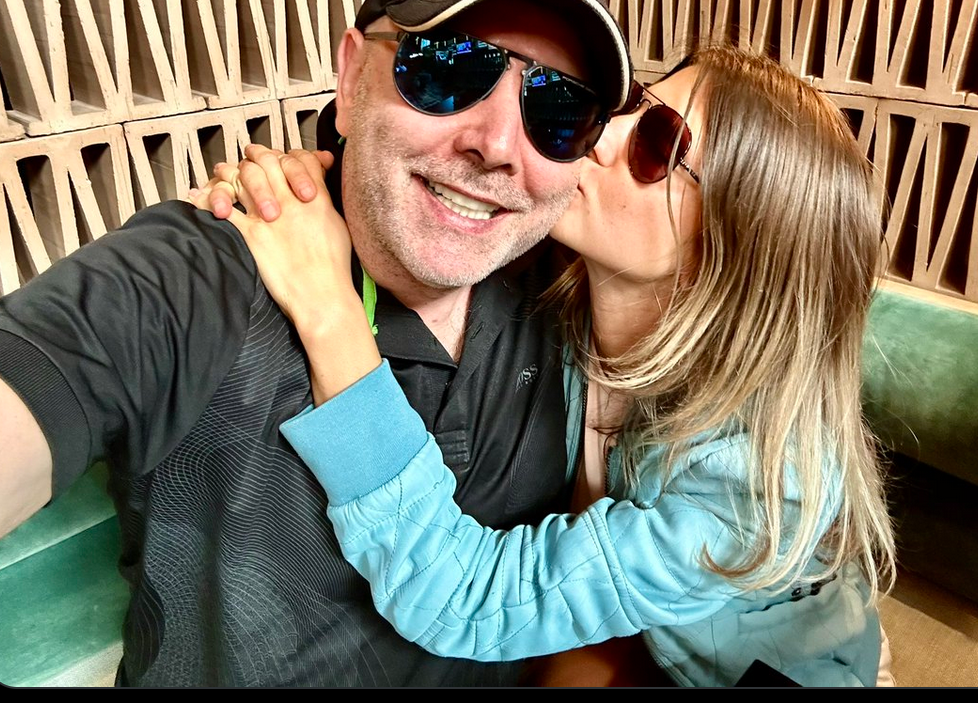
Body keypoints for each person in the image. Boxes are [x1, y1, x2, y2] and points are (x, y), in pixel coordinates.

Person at [0, 0, 633, 687]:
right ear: (352, 79)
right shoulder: (200, 275)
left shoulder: (572, 289)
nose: (496, 145)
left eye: (558, 110)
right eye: (446, 68)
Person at [194, 43, 897, 687]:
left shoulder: (756, 479)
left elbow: (462, 597)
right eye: (634, 105)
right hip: (632, 630)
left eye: (659, 146)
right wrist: (293, 191)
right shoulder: (553, 280)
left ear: (736, 249)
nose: (603, 135)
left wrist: (328, 309)